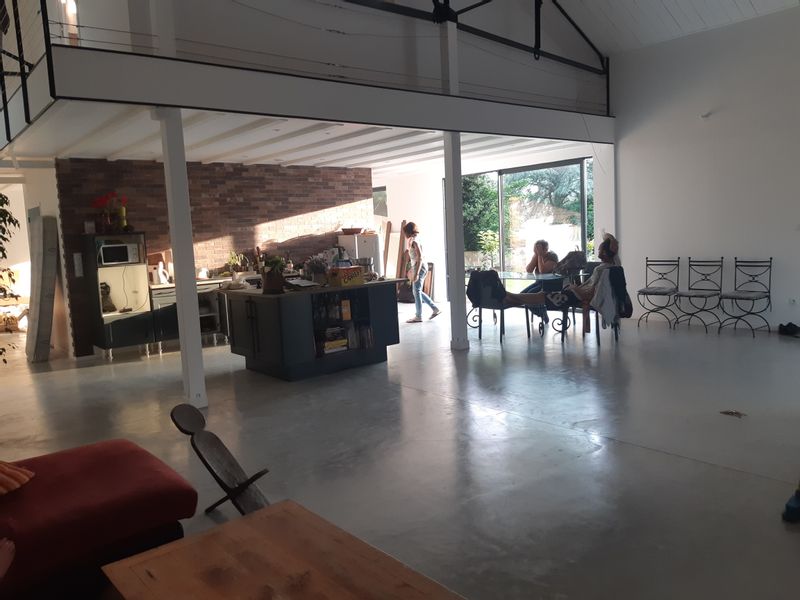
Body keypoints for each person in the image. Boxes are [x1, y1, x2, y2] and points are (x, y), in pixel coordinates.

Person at [503, 235, 619, 310]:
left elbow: (590, 292)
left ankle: (509, 297)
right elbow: (592, 288)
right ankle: (510, 297)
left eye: (599, 249)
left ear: (604, 253)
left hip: (575, 296)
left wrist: (574, 288)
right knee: (540, 295)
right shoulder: (609, 268)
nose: (597, 250)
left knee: (543, 295)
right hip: (575, 294)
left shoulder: (601, 269)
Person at [403, 221, 441, 323]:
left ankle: (419, 316)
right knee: (417, 291)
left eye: (405, 232)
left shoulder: (414, 241)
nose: (404, 235)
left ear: (409, 232)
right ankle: (435, 309)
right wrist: (411, 269)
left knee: (416, 291)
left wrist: (416, 273)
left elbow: (420, 258)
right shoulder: (414, 240)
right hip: (419, 266)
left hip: (420, 267)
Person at [522, 240, 558, 322]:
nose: (536, 250)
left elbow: (543, 271)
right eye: (535, 248)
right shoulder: (537, 256)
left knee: (529, 296)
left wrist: (540, 255)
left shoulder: (552, 257)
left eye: (538, 248)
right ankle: (541, 312)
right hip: (538, 282)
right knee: (522, 296)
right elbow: (529, 270)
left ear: (546, 249)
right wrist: (536, 256)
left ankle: (542, 312)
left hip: (549, 284)